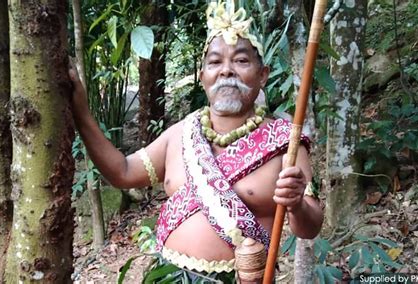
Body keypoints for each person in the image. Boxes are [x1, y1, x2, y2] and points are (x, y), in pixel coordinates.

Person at [69, 1, 323, 282]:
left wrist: (297, 204)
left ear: (262, 75)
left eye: (240, 60)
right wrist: (81, 112)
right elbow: (123, 172)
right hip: (167, 275)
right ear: (202, 77)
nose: (226, 71)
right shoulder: (179, 134)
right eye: (215, 62)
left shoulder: (285, 143)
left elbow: (309, 228)